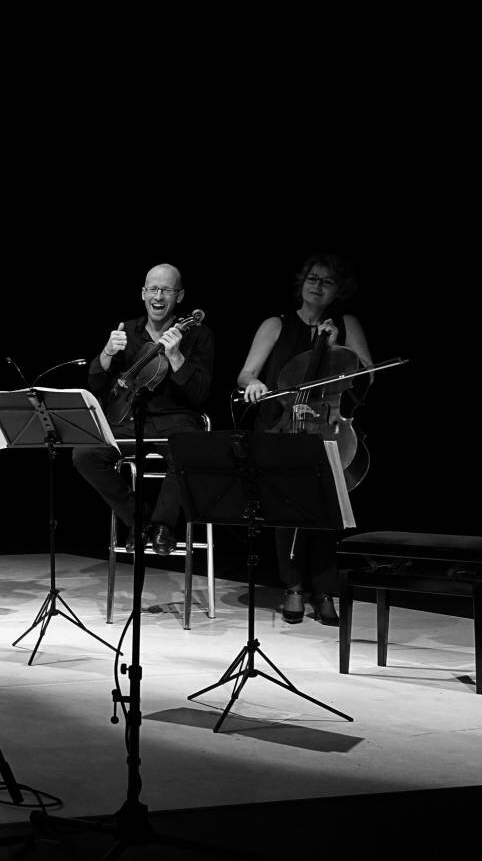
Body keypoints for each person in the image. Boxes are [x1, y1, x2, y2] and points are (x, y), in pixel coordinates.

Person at [235, 254, 374, 626]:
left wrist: (333, 346)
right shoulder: (276, 324)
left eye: (327, 282)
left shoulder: (345, 324)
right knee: (286, 509)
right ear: (302, 282)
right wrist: (255, 384)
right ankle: (293, 586)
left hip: (330, 423)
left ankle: (324, 589)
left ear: (338, 290)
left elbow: (365, 377)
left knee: (329, 508)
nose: (317, 285)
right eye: (312, 278)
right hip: (285, 422)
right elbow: (246, 374)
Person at [74, 263, 215, 555]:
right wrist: (106, 354)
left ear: (180, 295)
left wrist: (176, 357)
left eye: (166, 289)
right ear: (143, 293)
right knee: (84, 453)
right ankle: (140, 522)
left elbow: (200, 394)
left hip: (178, 420)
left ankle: (163, 526)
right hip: (128, 419)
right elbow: (97, 385)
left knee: (188, 452)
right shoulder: (128, 331)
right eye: (153, 288)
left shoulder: (199, 336)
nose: (158, 295)